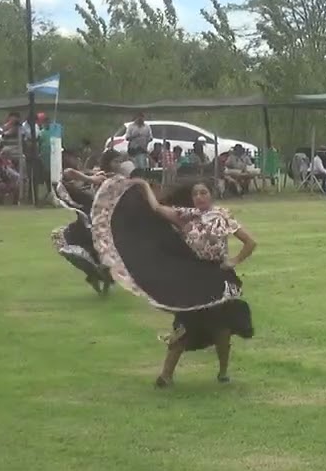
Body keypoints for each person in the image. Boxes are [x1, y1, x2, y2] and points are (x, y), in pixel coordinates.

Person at [91, 178, 257, 387]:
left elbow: (250, 243)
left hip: (216, 277)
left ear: (211, 194)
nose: (199, 197)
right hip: (193, 277)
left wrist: (234, 261)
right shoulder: (185, 217)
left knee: (222, 328)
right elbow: (156, 208)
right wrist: (143, 185)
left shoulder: (222, 216)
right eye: (196, 194)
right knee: (183, 326)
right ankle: (166, 376)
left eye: (203, 192)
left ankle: (223, 372)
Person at [52, 166, 114, 295]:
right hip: (87, 229)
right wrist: (91, 178)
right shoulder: (80, 194)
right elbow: (68, 172)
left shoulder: (96, 195)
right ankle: (98, 277)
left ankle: (99, 279)